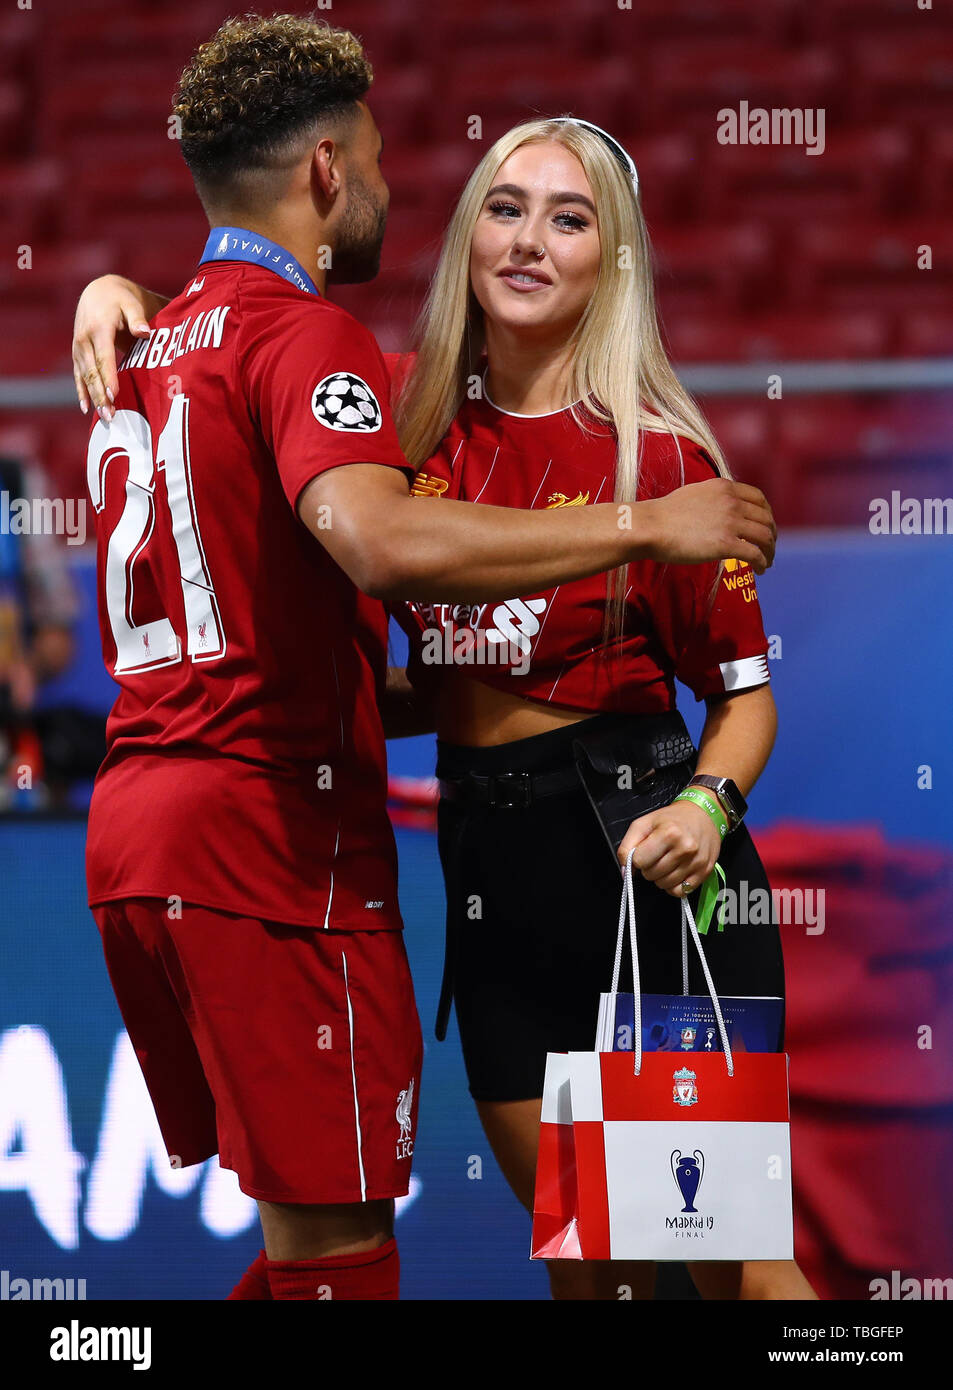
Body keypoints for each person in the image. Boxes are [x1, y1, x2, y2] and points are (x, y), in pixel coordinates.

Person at [71, 17, 777, 1303]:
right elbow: (367, 542)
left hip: (649, 860)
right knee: (600, 1266)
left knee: (726, 1261)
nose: (524, 237)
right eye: (501, 206)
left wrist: (704, 803)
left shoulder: (663, 456)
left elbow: (742, 696)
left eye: (567, 219)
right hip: (488, 880)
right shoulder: (400, 415)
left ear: (612, 258)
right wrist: (118, 292)